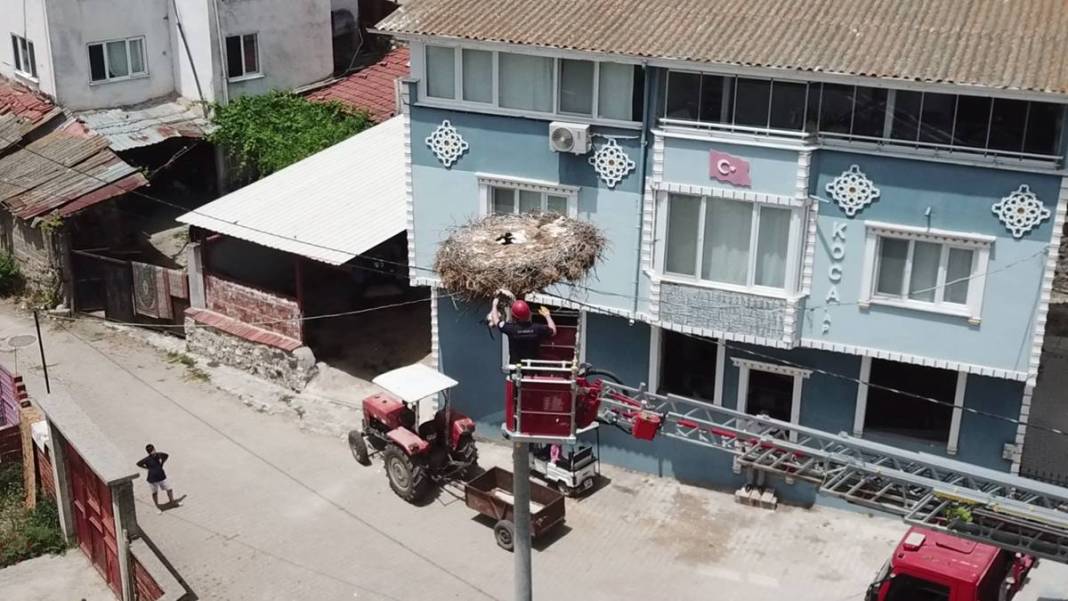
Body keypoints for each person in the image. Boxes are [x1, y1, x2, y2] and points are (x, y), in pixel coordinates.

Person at [488, 295, 557, 365]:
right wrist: (547, 315)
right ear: (529, 313)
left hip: (516, 369)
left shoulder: (510, 328)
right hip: (532, 369)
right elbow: (553, 331)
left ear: (514, 316)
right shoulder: (537, 328)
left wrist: (494, 305)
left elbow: (496, 320)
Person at [136, 444, 179, 512]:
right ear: (148, 452)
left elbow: (166, 455)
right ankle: (157, 506)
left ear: (154, 449)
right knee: (155, 493)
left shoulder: (159, 455)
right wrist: (147, 468)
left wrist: (162, 463)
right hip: (152, 479)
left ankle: (172, 502)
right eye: (150, 451)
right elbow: (138, 463)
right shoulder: (147, 459)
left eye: (153, 450)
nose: (152, 452)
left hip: (162, 476)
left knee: (169, 489)